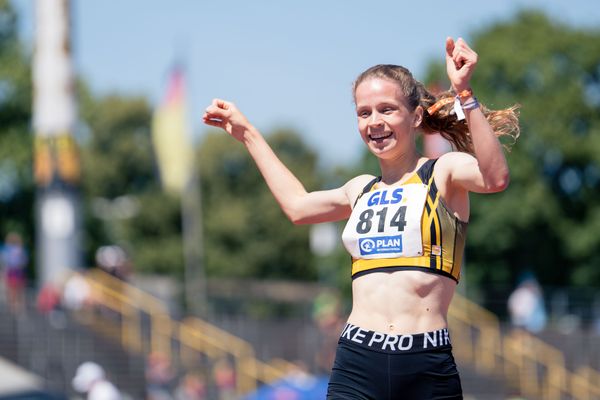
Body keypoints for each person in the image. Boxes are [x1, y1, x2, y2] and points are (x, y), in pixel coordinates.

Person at [203, 37, 519, 399]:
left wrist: (465, 93)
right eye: (364, 112)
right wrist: (247, 133)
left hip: (425, 362)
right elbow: (297, 206)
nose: (375, 122)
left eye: (387, 109)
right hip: (358, 359)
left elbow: (495, 178)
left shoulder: (443, 173)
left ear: (416, 116)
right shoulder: (360, 189)